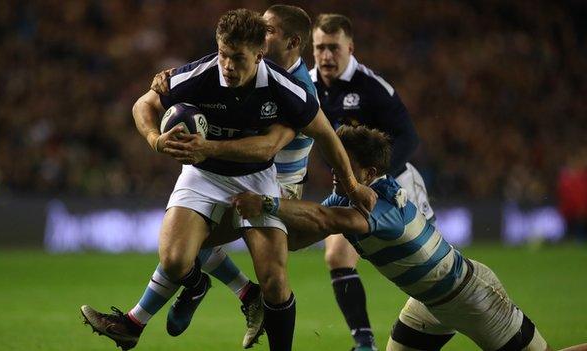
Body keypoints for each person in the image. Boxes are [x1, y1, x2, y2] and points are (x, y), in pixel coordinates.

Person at [81, 9, 376, 351]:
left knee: (275, 280)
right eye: (223, 54)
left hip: (263, 180)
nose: (228, 66)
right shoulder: (202, 74)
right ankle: (191, 295)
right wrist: (154, 139)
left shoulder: (289, 88)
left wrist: (352, 186)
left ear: (259, 55)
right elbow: (143, 105)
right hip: (203, 176)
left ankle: (151, 317)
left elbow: (311, 139)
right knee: (176, 260)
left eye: (238, 58)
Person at [233, 125, 587, 351]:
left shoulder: (385, 201)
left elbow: (325, 219)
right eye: (335, 161)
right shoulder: (345, 197)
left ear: (369, 173)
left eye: (344, 164)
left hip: (471, 296)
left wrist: (267, 203)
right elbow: (299, 238)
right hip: (430, 303)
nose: (335, 170)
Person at [144, 5, 318, 348]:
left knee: (205, 251)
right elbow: (169, 93)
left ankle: (165, 306)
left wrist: (353, 184)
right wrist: (172, 82)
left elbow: (268, 148)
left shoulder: (297, 87)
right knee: (182, 248)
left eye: (267, 31)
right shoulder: (236, 69)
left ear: (291, 42)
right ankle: (163, 308)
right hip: (235, 176)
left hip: (278, 187)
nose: (261, 37)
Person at [309, 13, 433, 350]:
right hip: (350, 190)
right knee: (336, 255)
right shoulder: (307, 86)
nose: (325, 56)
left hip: (396, 186)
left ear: (350, 47)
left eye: (333, 47)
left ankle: (459, 311)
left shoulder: (372, 87)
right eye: (319, 47)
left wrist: (375, 178)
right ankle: (364, 343)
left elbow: (408, 138)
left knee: (427, 269)